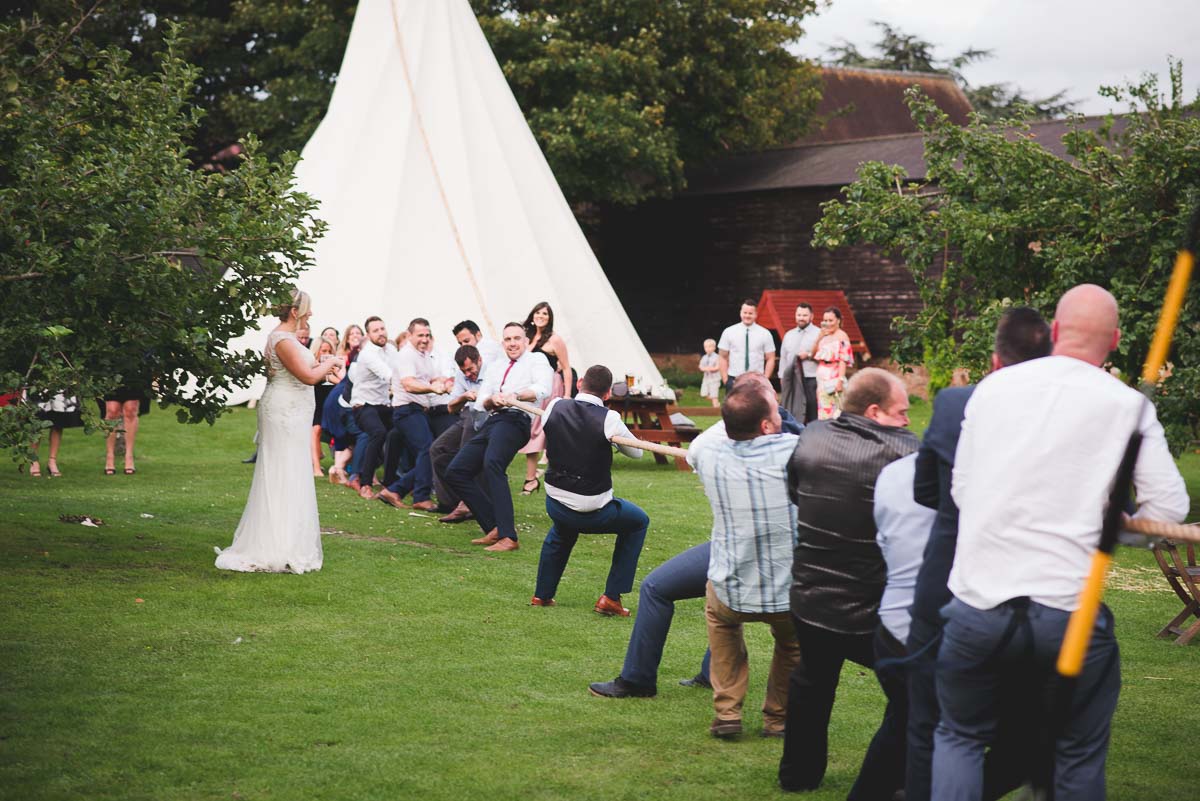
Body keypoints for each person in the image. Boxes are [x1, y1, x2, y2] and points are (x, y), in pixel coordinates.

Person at [932, 285, 1189, 801]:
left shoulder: (994, 388)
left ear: (1054, 331)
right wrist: (1112, 526)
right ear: (1114, 340)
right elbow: (1168, 511)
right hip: (1066, 612)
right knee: (1074, 754)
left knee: (960, 737)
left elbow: (962, 490)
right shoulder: (1127, 404)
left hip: (979, 605)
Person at [905, 306, 1053, 801]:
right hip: (1036, 591)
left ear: (994, 359)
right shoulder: (1067, 415)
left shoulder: (955, 403)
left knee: (934, 722)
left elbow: (926, 490)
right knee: (1030, 718)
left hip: (951, 577)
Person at [589, 372, 802, 700]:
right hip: (742, 548)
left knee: (703, 592)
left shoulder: (720, 446)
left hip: (767, 556)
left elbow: (698, 451)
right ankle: (657, 677)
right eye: (771, 397)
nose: (778, 403)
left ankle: (647, 679)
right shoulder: (791, 443)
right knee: (662, 588)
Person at [778, 368, 918, 795]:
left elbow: (795, 492)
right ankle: (884, 784)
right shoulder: (909, 453)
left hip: (810, 595)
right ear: (874, 411)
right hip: (870, 606)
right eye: (902, 412)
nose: (909, 420)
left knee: (812, 682)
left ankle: (797, 776)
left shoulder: (812, 436)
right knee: (914, 694)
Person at [692, 384, 801, 739]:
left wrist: (740, 399)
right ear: (768, 426)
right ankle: (778, 719)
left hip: (731, 588)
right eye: (775, 411)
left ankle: (727, 714)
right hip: (788, 594)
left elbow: (701, 443)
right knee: (793, 645)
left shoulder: (710, 457)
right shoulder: (794, 451)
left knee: (722, 626)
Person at [215, 290, 342, 573]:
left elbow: (306, 375)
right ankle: (275, 545)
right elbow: (306, 376)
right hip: (284, 413)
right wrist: (330, 363)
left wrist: (326, 369)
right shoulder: (281, 340)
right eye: (307, 310)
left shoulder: (288, 339)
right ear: (295, 311)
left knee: (293, 471)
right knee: (282, 472)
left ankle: (289, 541)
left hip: (294, 411)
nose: (311, 314)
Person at [530, 365, 646, 614]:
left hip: (556, 502)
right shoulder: (610, 418)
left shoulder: (554, 406)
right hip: (592, 510)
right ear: (607, 395)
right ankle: (612, 598)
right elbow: (637, 452)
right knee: (638, 522)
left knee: (562, 529)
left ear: (580, 382)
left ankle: (542, 595)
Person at [444, 322, 553, 552]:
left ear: (525, 340)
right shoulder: (496, 365)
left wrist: (517, 395)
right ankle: (493, 525)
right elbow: (482, 400)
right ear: (502, 343)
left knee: (493, 462)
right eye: (508, 339)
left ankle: (508, 536)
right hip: (495, 419)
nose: (512, 343)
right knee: (457, 471)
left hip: (517, 420)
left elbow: (543, 389)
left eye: (516, 338)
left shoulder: (536, 361)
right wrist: (491, 400)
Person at [378, 318, 450, 512]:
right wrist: (433, 389)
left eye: (427, 335)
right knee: (428, 449)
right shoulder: (406, 355)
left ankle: (395, 490)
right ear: (409, 335)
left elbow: (432, 378)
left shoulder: (424, 355)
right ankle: (420, 496)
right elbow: (409, 383)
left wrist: (446, 381)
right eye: (420, 335)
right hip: (406, 409)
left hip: (417, 410)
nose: (425, 339)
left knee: (430, 451)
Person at [518, 301, 571, 495]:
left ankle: (555, 476)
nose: (541, 316)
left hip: (551, 388)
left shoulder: (555, 340)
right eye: (538, 313)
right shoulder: (526, 338)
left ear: (550, 318)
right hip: (532, 390)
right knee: (532, 432)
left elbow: (566, 367)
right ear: (532, 315)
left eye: (545, 314)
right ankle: (530, 478)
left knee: (548, 432)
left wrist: (566, 395)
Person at [432, 345, 486, 520]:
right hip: (467, 415)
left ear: (479, 360)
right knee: (437, 448)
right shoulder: (462, 376)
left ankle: (467, 503)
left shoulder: (492, 372)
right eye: (465, 371)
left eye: (470, 369)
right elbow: (451, 407)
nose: (468, 374)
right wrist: (463, 396)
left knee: (466, 450)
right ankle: (448, 502)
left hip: (487, 416)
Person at [349, 316, 395, 498]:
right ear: (368, 334)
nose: (381, 333)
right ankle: (365, 484)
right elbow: (390, 375)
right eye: (376, 330)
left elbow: (400, 368)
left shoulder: (391, 349)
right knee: (378, 433)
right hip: (363, 405)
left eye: (382, 328)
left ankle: (390, 483)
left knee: (398, 433)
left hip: (384, 404)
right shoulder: (368, 354)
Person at [718, 298, 776, 392]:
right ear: (740, 313)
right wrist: (726, 380)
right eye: (745, 312)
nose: (747, 316)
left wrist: (765, 378)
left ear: (756, 314)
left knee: (757, 407)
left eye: (750, 313)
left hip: (757, 380)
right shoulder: (729, 332)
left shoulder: (765, 334)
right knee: (734, 407)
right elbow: (722, 356)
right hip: (734, 379)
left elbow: (770, 358)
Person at [779, 302, 821, 424]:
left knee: (812, 411)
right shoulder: (789, 335)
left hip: (811, 378)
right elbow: (783, 357)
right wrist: (782, 376)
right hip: (793, 379)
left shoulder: (819, 334)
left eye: (804, 315)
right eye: (799, 315)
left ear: (811, 316)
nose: (801, 318)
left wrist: (808, 355)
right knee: (794, 411)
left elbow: (824, 355)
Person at [310, 337, 345, 477]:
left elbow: (342, 384)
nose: (326, 354)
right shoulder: (312, 367)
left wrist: (335, 370)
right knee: (316, 430)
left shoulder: (333, 368)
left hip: (330, 405)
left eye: (329, 351)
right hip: (316, 404)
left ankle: (338, 465)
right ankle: (316, 468)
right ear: (316, 352)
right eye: (323, 350)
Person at [812, 306, 853, 420]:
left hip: (834, 375)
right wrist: (819, 337)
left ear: (838, 321)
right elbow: (813, 353)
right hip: (821, 376)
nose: (828, 323)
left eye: (830, 320)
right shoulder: (824, 336)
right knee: (822, 408)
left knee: (835, 409)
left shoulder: (842, 336)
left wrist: (840, 379)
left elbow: (843, 359)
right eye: (825, 320)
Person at [29, 392, 83, 477]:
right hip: (38, 384)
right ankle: (33, 461)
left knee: (58, 421)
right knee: (36, 420)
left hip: (58, 387)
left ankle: (52, 461)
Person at [698, 338, 721, 408]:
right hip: (706, 379)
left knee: (714, 395)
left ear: (714, 347)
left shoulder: (717, 357)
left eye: (710, 347)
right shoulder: (704, 357)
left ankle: (716, 408)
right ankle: (717, 403)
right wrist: (705, 368)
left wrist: (708, 368)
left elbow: (717, 367)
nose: (708, 349)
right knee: (703, 394)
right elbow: (701, 367)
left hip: (714, 379)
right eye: (706, 347)